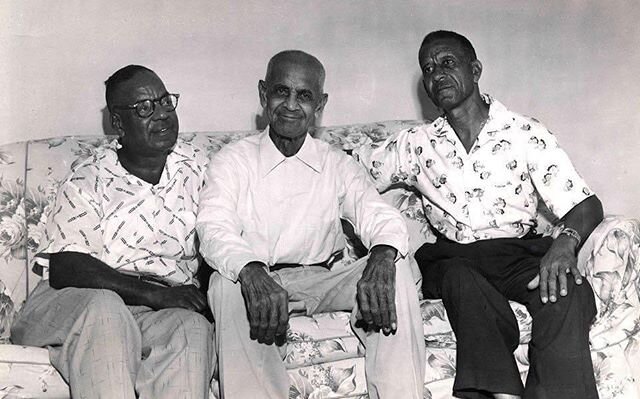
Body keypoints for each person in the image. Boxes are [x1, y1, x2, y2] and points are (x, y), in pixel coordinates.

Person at [355, 31, 603, 399]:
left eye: (447, 63)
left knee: (568, 291)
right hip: (453, 258)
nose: (437, 75)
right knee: (459, 278)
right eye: (428, 69)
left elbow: (586, 204)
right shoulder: (415, 144)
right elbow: (348, 171)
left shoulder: (524, 132)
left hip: (516, 253)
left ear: (475, 70)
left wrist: (564, 245)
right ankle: (501, 394)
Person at [196, 50, 425, 399]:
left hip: (327, 277)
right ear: (263, 94)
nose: (290, 105)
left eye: (304, 96)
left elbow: (374, 211)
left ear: (320, 104)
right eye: (280, 92)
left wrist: (381, 257)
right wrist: (252, 272)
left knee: (397, 266)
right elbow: (214, 228)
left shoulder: (335, 162)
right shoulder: (232, 161)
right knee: (224, 285)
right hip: (263, 279)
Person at [11, 65, 214, 399]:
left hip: (153, 313)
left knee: (190, 327)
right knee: (106, 310)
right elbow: (68, 266)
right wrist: (156, 294)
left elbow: (221, 237)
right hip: (78, 302)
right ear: (118, 124)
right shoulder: (90, 175)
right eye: (145, 108)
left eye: (165, 102)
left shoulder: (197, 167)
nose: (162, 115)